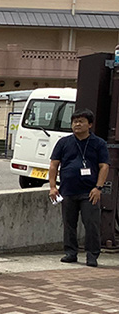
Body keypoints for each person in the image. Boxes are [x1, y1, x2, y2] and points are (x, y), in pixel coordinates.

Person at [49, 109, 109, 267]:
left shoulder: (99, 143)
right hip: (67, 190)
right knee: (69, 223)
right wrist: (53, 186)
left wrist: (98, 187)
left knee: (91, 224)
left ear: (89, 124)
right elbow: (54, 165)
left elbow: (104, 167)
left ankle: (92, 255)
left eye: (81, 121)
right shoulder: (64, 142)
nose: (77, 124)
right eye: (75, 121)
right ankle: (70, 252)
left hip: (90, 191)